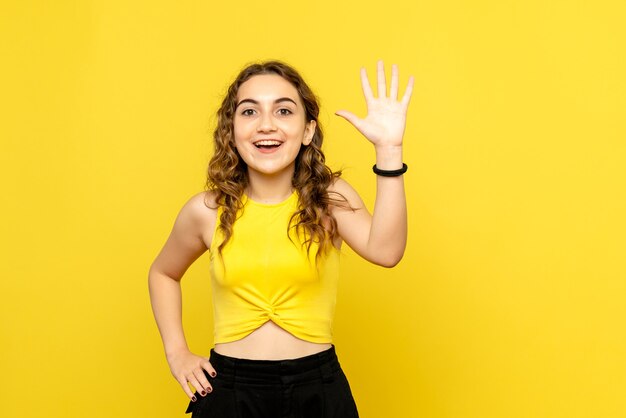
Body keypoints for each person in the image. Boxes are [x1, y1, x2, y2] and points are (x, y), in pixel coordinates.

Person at [148, 59, 413, 417]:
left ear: (307, 131)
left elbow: (386, 251)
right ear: (232, 130)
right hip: (229, 390)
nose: (266, 125)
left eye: (284, 110)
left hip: (317, 388)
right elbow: (163, 273)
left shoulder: (330, 198)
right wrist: (176, 352)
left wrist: (389, 151)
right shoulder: (206, 210)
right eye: (249, 112)